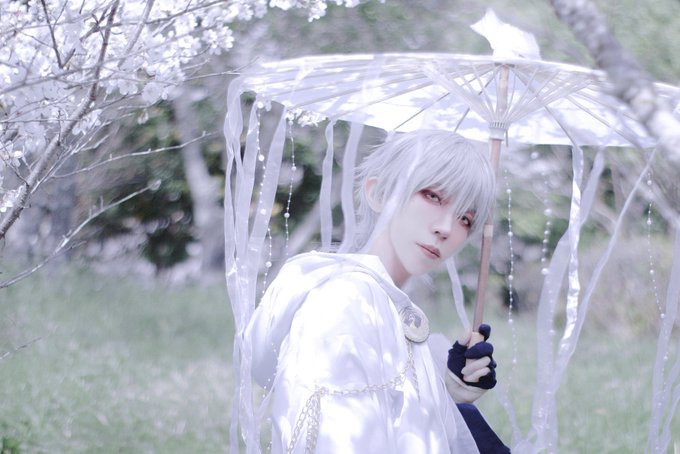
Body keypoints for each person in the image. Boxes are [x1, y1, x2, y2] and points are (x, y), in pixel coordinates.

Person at [246, 130, 510, 453]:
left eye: (465, 219)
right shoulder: (345, 302)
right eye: (433, 196)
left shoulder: (387, 304)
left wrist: (447, 390)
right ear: (378, 193)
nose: (446, 228)